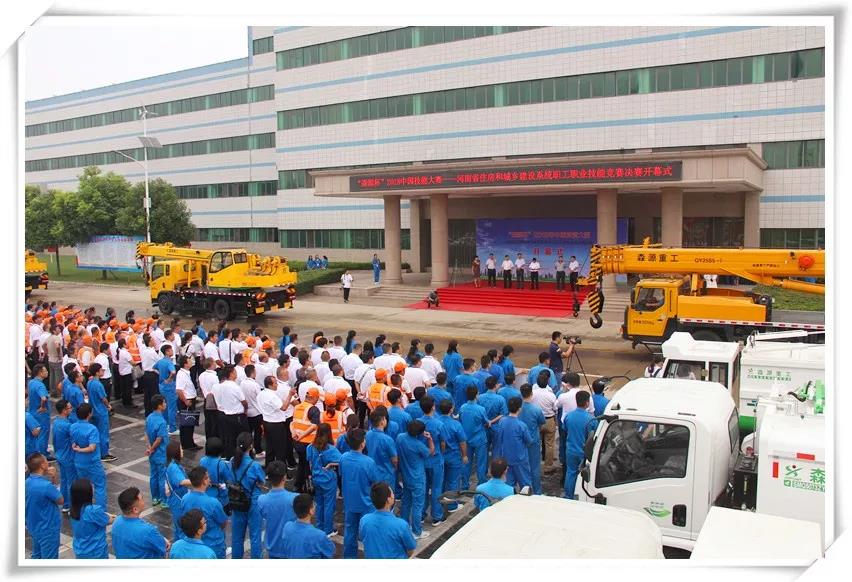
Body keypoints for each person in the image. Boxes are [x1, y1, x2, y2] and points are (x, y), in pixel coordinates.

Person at [339, 428, 379, 559]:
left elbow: (341, 474)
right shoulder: (369, 462)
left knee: (350, 533)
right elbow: (375, 482)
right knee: (369, 535)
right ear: (362, 444)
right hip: (366, 504)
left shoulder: (343, 458)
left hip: (350, 503)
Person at [230, 432, 266, 559]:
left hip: (237, 500)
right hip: (253, 503)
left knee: (237, 537)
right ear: (251, 446)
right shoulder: (254, 465)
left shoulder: (232, 461)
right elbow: (262, 481)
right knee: (255, 536)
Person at [395, 420, 433, 539]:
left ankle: (404, 527)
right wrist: (429, 439)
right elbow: (430, 452)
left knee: (406, 503)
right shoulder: (418, 445)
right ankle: (417, 531)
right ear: (419, 433)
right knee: (417, 506)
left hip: (406, 476)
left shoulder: (400, 437)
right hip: (417, 478)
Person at [180, 466, 230, 558]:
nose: (210, 479)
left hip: (193, 544)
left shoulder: (184, 499)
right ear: (204, 481)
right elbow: (223, 522)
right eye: (208, 477)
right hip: (213, 545)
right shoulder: (213, 503)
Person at [359, 482, 417, 559]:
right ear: (389, 500)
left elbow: (363, 538)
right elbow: (411, 549)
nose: (394, 495)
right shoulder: (401, 525)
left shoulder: (364, 521)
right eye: (392, 493)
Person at [111, 487, 169, 559]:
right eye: (142, 499)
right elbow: (164, 548)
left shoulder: (116, 522)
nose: (144, 500)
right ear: (135, 509)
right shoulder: (147, 531)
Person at [25, 452, 63, 559]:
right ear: (42, 465)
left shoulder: (27, 482)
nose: (48, 463)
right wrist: (54, 477)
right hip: (48, 529)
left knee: (37, 555)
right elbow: (60, 500)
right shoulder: (46, 486)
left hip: (34, 526)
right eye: (46, 460)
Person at [306, 423, 342, 536]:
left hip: (316, 478)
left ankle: (319, 526)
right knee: (329, 505)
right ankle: (328, 529)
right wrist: (331, 464)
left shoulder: (310, 447)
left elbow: (309, 460)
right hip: (328, 480)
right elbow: (342, 461)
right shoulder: (331, 449)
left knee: (319, 503)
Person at [257, 461, 298, 559]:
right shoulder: (295, 498)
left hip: (272, 548)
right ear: (284, 477)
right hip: (290, 548)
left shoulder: (261, 500)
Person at [70, 403, 107, 508]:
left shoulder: (73, 426)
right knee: (99, 486)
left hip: (79, 461)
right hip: (92, 462)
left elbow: (73, 441)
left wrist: (77, 448)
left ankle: (84, 509)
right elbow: (92, 447)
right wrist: (80, 449)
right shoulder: (92, 429)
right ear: (89, 414)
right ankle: (100, 510)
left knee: (84, 487)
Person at [491, 397, 532, 492]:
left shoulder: (502, 422)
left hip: (506, 460)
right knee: (525, 487)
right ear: (520, 409)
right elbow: (529, 441)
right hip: (520, 460)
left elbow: (499, 438)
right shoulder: (521, 425)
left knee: (508, 487)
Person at [563, 391, 598, 500]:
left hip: (570, 450)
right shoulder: (591, 419)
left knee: (570, 473)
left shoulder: (568, 416)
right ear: (587, 403)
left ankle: (569, 496)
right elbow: (594, 437)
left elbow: (565, 429)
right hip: (584, 453)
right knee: (585, 477)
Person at [69, 477, 114, 559]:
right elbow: (108, 520)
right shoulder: (93, 511)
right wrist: (114, 517)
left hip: (80, 550)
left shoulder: (73, 509)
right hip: (96, 552)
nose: (93, 487)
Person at [281, 493, 336, 558]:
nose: (315, 506)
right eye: (314, 505)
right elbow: (331, 551)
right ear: (310, 511)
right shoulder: (319, 535)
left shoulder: (287, 527)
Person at [419, 396, 447, 525]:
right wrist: (441, 452)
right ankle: (437, 516)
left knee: (423, 488)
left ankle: (421, 514)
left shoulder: (417, 422)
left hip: (422, 460)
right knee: (436, 488)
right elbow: (443, 443)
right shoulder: (439, 424)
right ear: (433, 407)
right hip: (436, 460)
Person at [259, 375, 297, 468]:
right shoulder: (272, 396)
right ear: (270, 385)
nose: (277, 385)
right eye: (275, 383)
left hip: (267, 422)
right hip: (276, 425)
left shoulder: (261, 394)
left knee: (270, 448)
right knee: (280, 450)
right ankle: (281, 471)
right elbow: (283, 407)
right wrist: (290, 395)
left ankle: (269, 469)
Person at [437, 399, 468, 511]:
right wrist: (464, 455)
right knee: (453, 481)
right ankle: (452, 505)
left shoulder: (436, 422)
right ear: (451, 410)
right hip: (453, 456)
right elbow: (462, 442)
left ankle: (439, 504)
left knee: (440, 481)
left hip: (440, 456)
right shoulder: (456, 424)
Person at [459, 386, 490, 489]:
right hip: (479, 440)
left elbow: (461, 420)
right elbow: (487, 422)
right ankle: (481, 486)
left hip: (466, 439)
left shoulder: (462, 408)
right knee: (481, 463)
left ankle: (465, 485)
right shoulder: (481, 409)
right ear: (476, 395)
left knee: (466, 462)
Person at [291, 386, 321, 492]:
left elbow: (292, 423)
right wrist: (302, 436)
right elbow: (314, 426)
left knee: (302, 463)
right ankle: (309, 487)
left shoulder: (297, 407)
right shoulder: (313, 409)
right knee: (308, 466)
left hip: (297, 442)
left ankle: (298, 485)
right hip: (307, 443)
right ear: (314, 397)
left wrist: (294, 433)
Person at [518, 384, 546, 495]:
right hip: (533, 441)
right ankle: (537, 492)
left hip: (520, 441)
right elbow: (541, 424)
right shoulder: (536, 409)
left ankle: (524, 489)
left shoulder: (518, 409)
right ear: (531, 394)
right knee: (534, 467)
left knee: (522, 466)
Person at [87, 363, 116, 462]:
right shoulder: (98, 384)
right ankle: (104, 454)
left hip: (93, 410)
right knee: (103, 433)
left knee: (95, 432)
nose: (103, 371)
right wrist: (108, 406)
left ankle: (96, 450)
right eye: (101, 370)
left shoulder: (90, 382)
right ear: (97, 372)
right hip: (101, 411)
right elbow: (103, 398)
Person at [532, 371, 559, 473]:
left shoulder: (533, 393)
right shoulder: (551, 395)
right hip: (548, 420)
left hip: (537, 421)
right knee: (549, 444)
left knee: (536, 443)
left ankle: (535, 464)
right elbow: (555, 409)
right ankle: (548, 466)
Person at [164, 441, 192, 542]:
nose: (182, 450)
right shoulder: (173, 467)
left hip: (176, 499)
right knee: (181, 529)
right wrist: (197, 481)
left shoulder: (173, 465)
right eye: (180, 449)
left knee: (178, 529)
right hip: (178, 501)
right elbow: (181, 481)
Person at [144, 395, 169, 506]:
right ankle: (163, 500)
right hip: (161, 453)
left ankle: (155, 498)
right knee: (162, 477)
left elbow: (146, 433)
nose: (165, 404)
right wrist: (153, 448)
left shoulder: (149, 417)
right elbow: (159, 439)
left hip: (152, 454)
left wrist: (149, 447)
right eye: (164, 402)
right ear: (159, 406)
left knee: (153, 475)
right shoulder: (162, 422)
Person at [51, 400, 75, 512]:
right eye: (69, 407)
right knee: (71, 482)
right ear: (64, 410)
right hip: (68, 456)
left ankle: (65, 504)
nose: (71, 409)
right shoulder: (68, 426)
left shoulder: (56, 422)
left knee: (64, 480)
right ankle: (71, 505)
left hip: (59, 455)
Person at [199, 437, 234, 511]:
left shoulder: (202, 461)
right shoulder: (222, 464)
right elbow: (229, 479)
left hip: (206, 493)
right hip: (220, 497)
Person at [366, 409, 398, 487]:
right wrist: (395, 468)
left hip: (372, 473)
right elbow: (394, 460)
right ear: (382, 421)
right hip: (386, 476)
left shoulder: (368, 434)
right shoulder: (387, 439)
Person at [175, 354, 200, 450]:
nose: (191, 361)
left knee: (190, 423)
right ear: (185, 364)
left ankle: (190, 442)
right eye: (189, 360)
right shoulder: (181, 374)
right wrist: (185, 401)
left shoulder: (186, 373)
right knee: (186, 423)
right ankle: (187, 444)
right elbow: (179, 390)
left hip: (190, 399)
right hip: (186, 401)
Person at [27, 365, 51, 456]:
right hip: (41, 414)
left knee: (36, 434)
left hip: (32, 411)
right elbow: (43, 398)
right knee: (43, 434)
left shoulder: (31, 382)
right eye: (45, 371)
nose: (47, 372)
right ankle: (43, 454)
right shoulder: (40, 385)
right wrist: (43, 407)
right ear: (40, 373)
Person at [154, 344, 177, 434]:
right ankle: (172, 428)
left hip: (162, 385)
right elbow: (173, 372)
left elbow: (154, 368)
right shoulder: (169, 362)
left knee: (164, 406)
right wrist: (169, 379)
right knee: (172, 407)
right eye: (171, 350)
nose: (172, 351)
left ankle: (166, 424)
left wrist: (162, 377)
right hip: (169, 387)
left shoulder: (160, 361)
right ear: (167, 352)